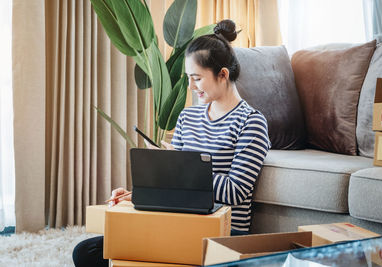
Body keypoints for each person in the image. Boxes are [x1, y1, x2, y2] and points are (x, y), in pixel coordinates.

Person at [72, 19, 271, 267]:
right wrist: (134, 196)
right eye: (188, 78)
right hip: (176, 222)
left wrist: (183, 166)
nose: (190, 86)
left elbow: (235, 191)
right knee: (86, 252)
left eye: (197, 79)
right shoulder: (188, 117)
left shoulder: (251, 122)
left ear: (223, 75)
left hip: (221, 233)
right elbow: (174, 187)